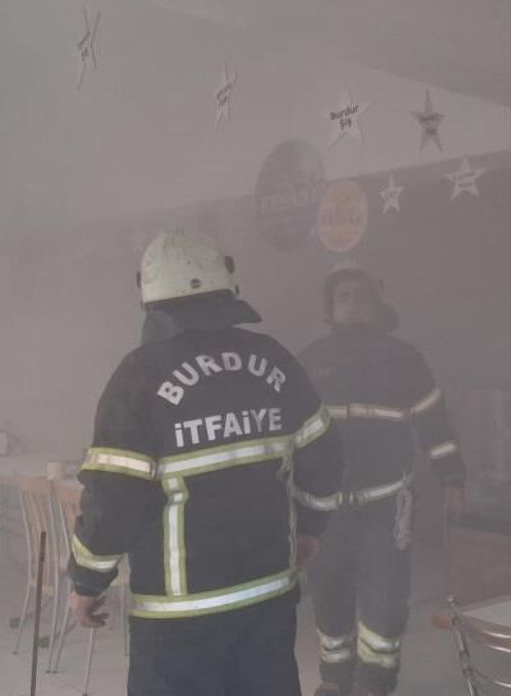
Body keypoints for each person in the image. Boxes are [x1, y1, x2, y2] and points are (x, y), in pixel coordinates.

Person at [67, 228, 345, 696]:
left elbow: (113, 499)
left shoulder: (138, 378)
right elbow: (325, 454)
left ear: (149, 299)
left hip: (179, 618)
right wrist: (311, 528)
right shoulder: (273, 360)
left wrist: (87, 582)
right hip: (268, 598)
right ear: (227, 284)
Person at [298, 263, 467, 696]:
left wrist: (451, 478)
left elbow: (433, 421)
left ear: (377, 305)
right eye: (343, 297)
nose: (352, 304)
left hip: (387, 505)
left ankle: (375, 684)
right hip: (326, 509)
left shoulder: (403, 358)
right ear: (330, 308)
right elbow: (290, 432)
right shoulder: (311, 361)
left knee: (386, 599)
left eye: (361, 296)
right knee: (329, 594)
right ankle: (335, 681)